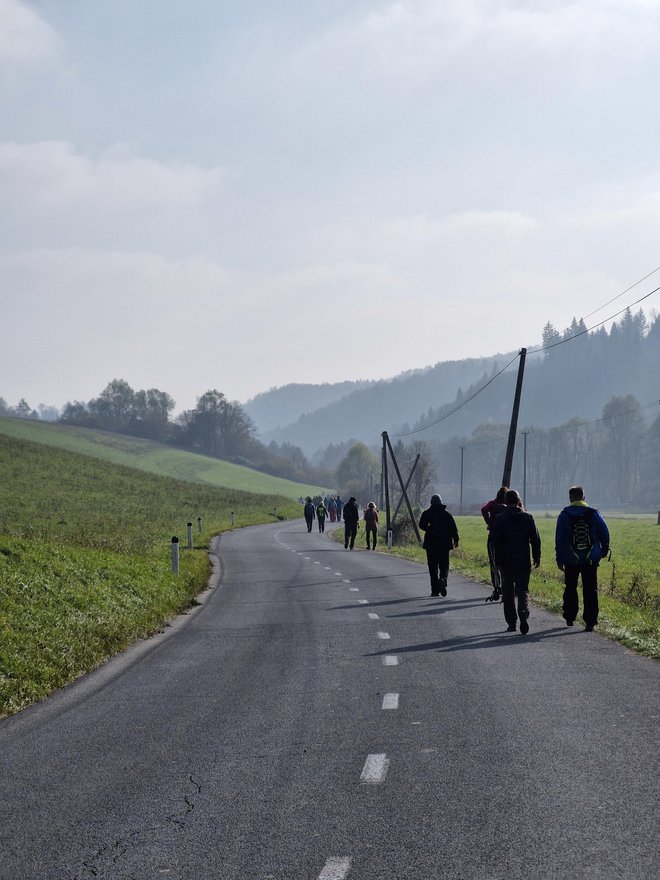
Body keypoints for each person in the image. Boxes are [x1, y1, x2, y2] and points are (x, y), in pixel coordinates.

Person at [555, 486, 610, 632]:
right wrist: (604, 550)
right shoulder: (593, 513)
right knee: (590, 590)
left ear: (570, 498)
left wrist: (559, 559)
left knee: (571, 587)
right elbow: (604, 531)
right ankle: (590, 621)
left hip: (570, 559)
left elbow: (559, 539)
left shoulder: (564, 515)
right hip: (590, 559)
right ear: (583, 497)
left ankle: (570, 616)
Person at [491, 489, 541, 634]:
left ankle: (512, 623)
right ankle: (523, 611)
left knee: (508, 592)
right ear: (519, 501)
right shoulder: (528, 517)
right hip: (523, 561)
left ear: (505, 502)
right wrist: (537, 557)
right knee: (523, 589)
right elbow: (536, 540)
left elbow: (495, 543)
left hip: (505, 562)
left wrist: (495, 563)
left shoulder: (500, 519)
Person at [418, 494, 459, 597]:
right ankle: (443, 579)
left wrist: (429, 529)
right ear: (440, 502)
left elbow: (421, 525)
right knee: (444, 565)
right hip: (444, 544)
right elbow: (453, 529)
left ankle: (435, 591)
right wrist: (456, 540)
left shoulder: (427, 513)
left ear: (431, 502)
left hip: (431, 544)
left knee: (433, 567)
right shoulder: (447, 515)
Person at [481, 487, 509, 601]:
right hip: (506, 539)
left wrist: (489, 522)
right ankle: (506, 586)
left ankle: (496, 587)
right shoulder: (509, 505)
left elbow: (483, 509)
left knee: (493, 563)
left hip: (493, 537)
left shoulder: (492, 504)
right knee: (505, 563)